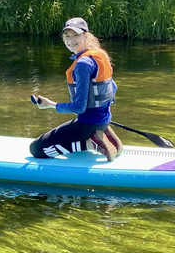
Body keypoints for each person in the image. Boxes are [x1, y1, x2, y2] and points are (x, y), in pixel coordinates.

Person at [30, 17, 124, 160]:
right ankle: (103, 133)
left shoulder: (83, 64)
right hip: (104, 120)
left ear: (86, 36)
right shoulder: (99, 55)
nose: (70, 40)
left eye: (76, 35)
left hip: (88, 123)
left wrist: (50, 105)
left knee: (37, 149)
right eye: (67, 35)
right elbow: (113, 89)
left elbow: (79, 107)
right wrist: (100, 114)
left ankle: (91, 144)